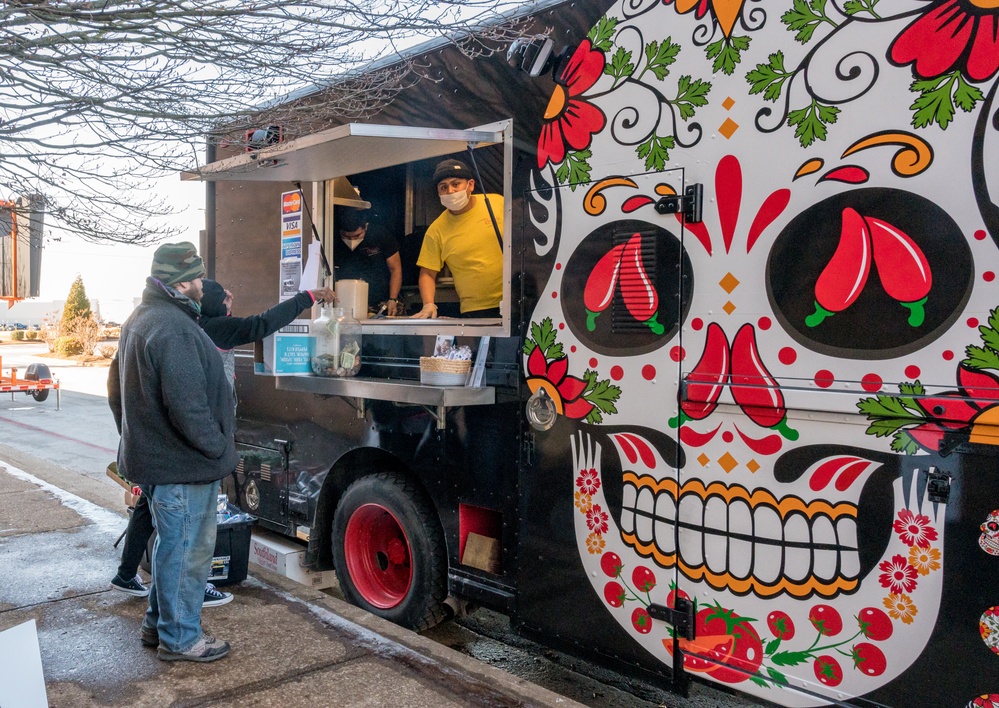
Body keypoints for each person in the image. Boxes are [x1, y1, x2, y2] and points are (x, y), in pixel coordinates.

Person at [110, 281, 336, 608]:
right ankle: (194, 591)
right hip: (198, 441)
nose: (232, 300)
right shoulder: (217, 328)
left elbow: (116, 386)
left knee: (152, 507)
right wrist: (307, 297)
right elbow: (263, 323)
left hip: (152, 443)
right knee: (196, 524)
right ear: (214, 303)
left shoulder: (166, 325)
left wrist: (127, 432)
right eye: (226, 297)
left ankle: (127, 573)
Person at [107, 242, 237, 663]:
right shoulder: (175, 328)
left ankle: (157, 626)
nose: (203, 284)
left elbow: (115, 393)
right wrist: (217, 446)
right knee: (187, 552)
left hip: (161, 461)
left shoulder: (140, 320)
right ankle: (180, 639)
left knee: (171, 547)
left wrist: (136, 442)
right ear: (182, 282)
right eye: (198, 276)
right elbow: (188, 406)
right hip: (185, 465)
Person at [413, 159, 504, 319]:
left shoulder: (497, 203)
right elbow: (427, 273)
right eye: (443, 187)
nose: (450, 191)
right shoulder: (436, 230)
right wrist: (428, 304)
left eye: (456, 184)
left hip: (516, 301)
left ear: (470, 185)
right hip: (475, 309)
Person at [332, 206, 403, 316]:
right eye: (346, 236)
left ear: (366, 226)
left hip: (381, 300)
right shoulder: (333, 240)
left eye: (357, 236)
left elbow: (395, 269)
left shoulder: (380, 235)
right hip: (346, 301)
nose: (352, 240)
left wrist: (393, 299)